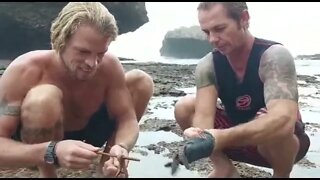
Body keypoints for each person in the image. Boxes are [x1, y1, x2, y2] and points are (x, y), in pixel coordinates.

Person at [0, 2, 154, 178]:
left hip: (90, 134)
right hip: (40, 144)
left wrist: (122, 146)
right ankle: (48, 174)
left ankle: (109, 169)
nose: (92, 63)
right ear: (61, 40)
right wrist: (51, 151)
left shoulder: (109, 67)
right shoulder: (25, 70)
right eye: (83, 51)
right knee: (44, 97)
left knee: (141, 81)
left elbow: (127, 119)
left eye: (100, 54)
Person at [174, 2, 310, 178]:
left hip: (282, 149)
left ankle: (281, 175)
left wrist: (219, 138)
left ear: (244, 19)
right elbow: (203, 120)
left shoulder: (274, 56)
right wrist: (196, 135)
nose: (212, 39)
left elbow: (283, 122)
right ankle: (224, 169)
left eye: (220, 28)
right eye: (207, 32)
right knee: (184, 106)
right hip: (236, 140)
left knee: (273, 118)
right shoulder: (207, 66)